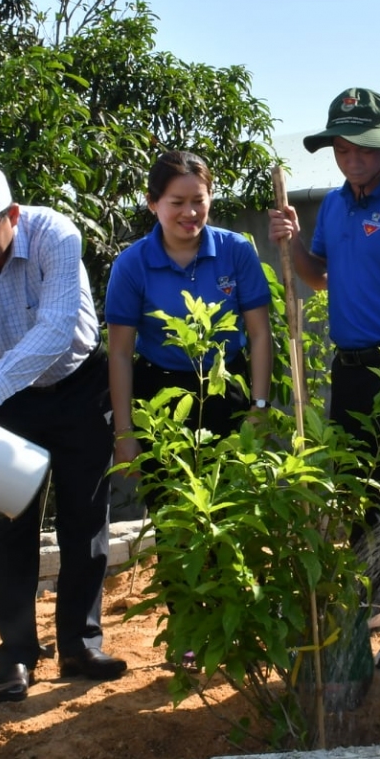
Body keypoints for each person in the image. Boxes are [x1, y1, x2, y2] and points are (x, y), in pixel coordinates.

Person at [0, 161, 124, 702]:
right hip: (3, 401)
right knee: (10, 524)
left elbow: (56, 330)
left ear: (11, 215)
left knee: (86, 517)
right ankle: (16, 655)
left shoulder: (56, 234)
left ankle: (80, 644)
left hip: (79, 388)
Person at [267, 87, 380, 669]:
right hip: (349, 369)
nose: (352, 158)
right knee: (358, 493)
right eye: (342, 148)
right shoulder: (337, 208)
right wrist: (292, 242)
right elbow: (317, 279)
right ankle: (375, 595)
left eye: (363, 147)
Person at [106, 150, 273, 500]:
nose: (190, 212)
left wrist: (259, 406)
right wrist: (125, 432)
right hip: (160, 396)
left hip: (229, 390)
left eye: (199, 200)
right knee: (172, 515)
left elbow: (259, 334)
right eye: (177, 202)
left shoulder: (236, 251)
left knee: (232, 508)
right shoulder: (132, 264)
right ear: (152, 203)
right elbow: (120, 353)